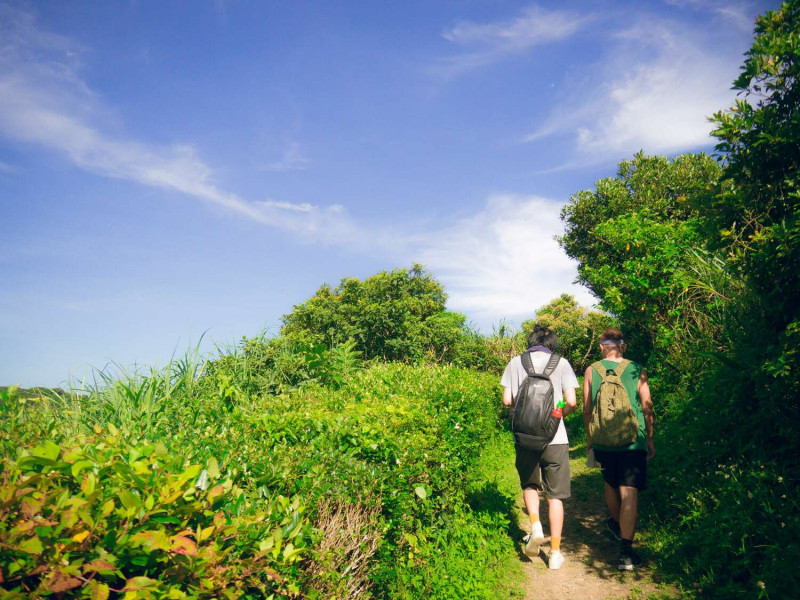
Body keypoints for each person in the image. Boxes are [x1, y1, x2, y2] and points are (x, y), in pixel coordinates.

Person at [501, 325, 579, 570]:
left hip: (525, 438)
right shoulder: (562, 363)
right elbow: (572, 402)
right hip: (556, 438)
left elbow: (507, 400)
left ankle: (535, 527)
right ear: (551, 344)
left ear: (531, 341)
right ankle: (555, 553)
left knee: (530, 484)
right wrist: (556, 415)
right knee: (555, 495)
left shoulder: (516, 362)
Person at [583, 328, 655, 571]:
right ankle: (626, 553)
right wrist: (650, 437)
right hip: (633, 441)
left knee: (610, 484)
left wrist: (590, 438)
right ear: (622, 346)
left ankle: (615, 523)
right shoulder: (636, 369)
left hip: (603, 440)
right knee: (629, 491)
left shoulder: (592, 370)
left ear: (602, 347)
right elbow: (647, 405)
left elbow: (587, 408)